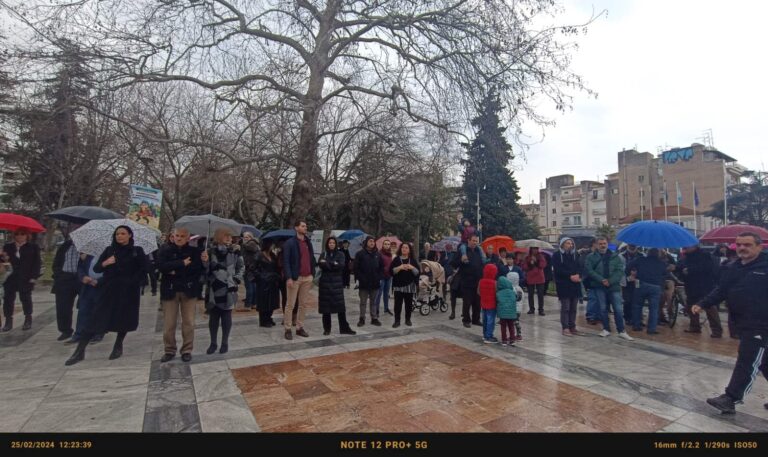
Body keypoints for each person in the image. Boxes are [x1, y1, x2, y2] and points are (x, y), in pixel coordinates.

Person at [692, 232, 768, 414]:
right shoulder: (734, 267)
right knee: (764, 362)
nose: (742, 248)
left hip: (761, 324)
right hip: (742, 322)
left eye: (748, 245)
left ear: (759, 247)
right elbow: (721, 290)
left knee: (747, 359)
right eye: (739, 244)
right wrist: (702, 303)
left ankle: (731, 398)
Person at [65, 225, 150, 365]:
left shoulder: (137, 251)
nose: (119, 236)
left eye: (123, 233)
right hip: (109, 289)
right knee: (95, 318)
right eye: (117, 234)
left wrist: (132, 281)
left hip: (128, 291)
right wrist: (106, 262)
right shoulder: (109, 250)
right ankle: (79, 351)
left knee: (123, 319)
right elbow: (97, 268)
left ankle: (118, 345)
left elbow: (144, 269)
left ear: (130, 235)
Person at [157, 227, 206, 363]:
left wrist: (174, 269)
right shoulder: (165, 250)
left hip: (189, 290)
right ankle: (169, 349)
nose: (179, 238)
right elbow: (161, 267)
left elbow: (197, 269)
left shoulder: (194, 252)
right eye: (177, 235)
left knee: (189, 322)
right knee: (169, 324)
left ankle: (187, 350)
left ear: (187, 237)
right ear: (173, 236)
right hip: (170, 290)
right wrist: (181, 264)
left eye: (182, 236)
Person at [585, 237, 634, 341]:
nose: (603, 245)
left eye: (604, 243)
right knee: (603, 308)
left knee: (618, 309)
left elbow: (619, 271)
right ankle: (606, 329)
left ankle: (621, 330)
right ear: (597, 245)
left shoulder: (615, 256)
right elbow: (589, 270)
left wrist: (610, 281)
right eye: (600, 244)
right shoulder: (591, 257)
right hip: (599, 285)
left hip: (614, 286)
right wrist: (602, 280)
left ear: (607, 244)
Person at [203, 228, 243, 354]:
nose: (229, 238)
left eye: (230, 236)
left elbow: (241, 267)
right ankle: (213, 343)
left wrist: (236, 279)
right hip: (214, 288)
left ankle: (224, 342)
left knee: (226, 315)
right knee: (214, 316)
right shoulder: (210, 251)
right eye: (226, 236)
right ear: (219, 236)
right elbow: (205, 271)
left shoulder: (235, 252)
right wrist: (204, 262)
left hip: (229, 287)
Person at [677, 243, 722, 337]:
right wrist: (682, 270)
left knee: (709, 307)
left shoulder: (704, 255)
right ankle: (694, 326)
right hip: (690, 286)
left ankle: (716, 330)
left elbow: (707, 268)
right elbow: (680, 266)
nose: (685, 247)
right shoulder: (686, 257)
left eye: (688, 246)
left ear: (695, 246)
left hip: (704, 285)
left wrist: (689, 270)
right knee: (691, 306)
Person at [2, 229, 42, 332]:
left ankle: (28, 319)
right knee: (8, 299)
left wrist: (34, 276)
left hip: (26, 277)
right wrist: (3, 257)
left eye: (22, 234)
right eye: (17, 234)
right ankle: (8, 321)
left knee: (25, 298)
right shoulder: (8, 247)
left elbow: (37, 263)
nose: (19, 236)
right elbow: (3, 261)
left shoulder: (33, 247)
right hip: (10, 277)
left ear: (27, 235)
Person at [282, 220, 315, 340]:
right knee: (290, 304)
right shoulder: (289, 243)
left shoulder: (308, 242)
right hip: (295, 278)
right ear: (296, 228)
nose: (305, 227)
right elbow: (285, 261)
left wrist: (312, 273)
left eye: (306, 226)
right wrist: (289, 277)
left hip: (307, 277)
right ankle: (287, 328)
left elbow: (311, 258)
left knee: (303, 304)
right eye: (303, 226)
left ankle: (300, 327)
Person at [318, 237, 356, 336]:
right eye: (330, 242)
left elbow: (340, 266)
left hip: (337, 284)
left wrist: (327, 264)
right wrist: (333, 264)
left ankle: (344, 328)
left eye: (333, 243)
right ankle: (327, 329)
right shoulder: (324, 254)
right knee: (325, 308)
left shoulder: (340, 254)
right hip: (325, 284)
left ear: (336, 244)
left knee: (340, 308)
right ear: (327, 244)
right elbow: (320, 264)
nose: (331, 244)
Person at [52, 225, 82, 341]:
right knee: (63, 306)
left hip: (81, 278)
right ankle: (65, 330)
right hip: (65, 279)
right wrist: (58, 275)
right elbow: (57, 262)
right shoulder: (65, 245)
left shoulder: (87, 247)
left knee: (86, 306)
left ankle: (88, 330)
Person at [628, 248, 668, 335]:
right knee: (654, 309)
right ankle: (651, 329)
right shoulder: (662, 263)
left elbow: (628, 266)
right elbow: (665, 274)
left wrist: (632, 274)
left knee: (637, 306)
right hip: (656, 286)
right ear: (658, 254)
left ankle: (636, 325)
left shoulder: (641, 259)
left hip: (641, 284)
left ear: (648, 253)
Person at [451, 234, 485, 328]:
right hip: (466, 281)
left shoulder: (479, 251)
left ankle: (476, 319)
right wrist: (461, 260)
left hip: (478, 281)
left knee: (477, 302)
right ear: (469, 241)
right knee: (467, 302)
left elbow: (483, 263)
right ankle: (466, 320)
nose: (475, 243)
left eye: (476, 241)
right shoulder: (463, 251)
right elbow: (453, 263)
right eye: (473, 241)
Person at [70, 253, 105, 344]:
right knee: (83, 310)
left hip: (101, 287)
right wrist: (83, 277)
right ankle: (79, 334)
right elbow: (81, 267)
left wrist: (99, 281)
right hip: (87, 286)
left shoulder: (109, 255)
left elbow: (112, 272)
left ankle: (98, 333)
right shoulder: (89, 255)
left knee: (98, 311)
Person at [552, 237, 581, 336]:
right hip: (563, 284)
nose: (570, 245)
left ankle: (572, 326)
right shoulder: (556, 255)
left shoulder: (575, 255)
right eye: (568, 243)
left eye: (571, 243)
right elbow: (557, 270)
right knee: (566, 307)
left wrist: (578, 275)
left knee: (574, 307)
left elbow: (580, 266)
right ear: (562, 244)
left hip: (575, 284)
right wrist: (570, 276)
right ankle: (565, 327)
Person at [354, 236, 384, 327]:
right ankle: (362, 318)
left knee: (373, 302)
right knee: (363, 302)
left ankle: (374, 318)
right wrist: (360, 278)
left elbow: (381, 268)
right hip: (363, 282)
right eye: (370, 241)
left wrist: (378, 277)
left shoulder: (378, 254)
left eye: (373, 241)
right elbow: (356, 268)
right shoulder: (360, 254)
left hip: (375, 282)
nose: (372, 243)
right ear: (366, 242)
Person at [389, 242, 419, 328]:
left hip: (410, 286)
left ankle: (408, 320)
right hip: (398, 286)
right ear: (400, 249)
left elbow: (417, 273)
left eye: (406, 248)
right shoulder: (396, 259)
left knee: (408, 304)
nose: (404, 249)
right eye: (403, 248)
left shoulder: (412, 260)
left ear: (409, 250)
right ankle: (397, 321)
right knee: (397, 305)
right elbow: (391, 271)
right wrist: (400, 268)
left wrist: (411, 267)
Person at [255, 241, 280, 327]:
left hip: (273, 281)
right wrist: (262, 277)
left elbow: (276, 267)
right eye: (271, 244)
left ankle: (269, 317)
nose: (272, 246)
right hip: (263, 282)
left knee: (272, 301)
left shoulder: (273, 255)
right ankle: (263, 320)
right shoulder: (259, 255)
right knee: (264, 302)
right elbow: (253, 268)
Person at [523, 247, 547, 316]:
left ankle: (541, 310)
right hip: (530, 278)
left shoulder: (541, 256)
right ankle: (531, 309)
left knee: (540, 295)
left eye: (536, 249)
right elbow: (524, 267)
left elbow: (543, 265)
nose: (535, 250)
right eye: (533, 249)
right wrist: (530, 264)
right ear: (531, 249)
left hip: (540, 278)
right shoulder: (527, 257)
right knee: (530, 294)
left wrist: (536, 261)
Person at [478, 263, 498, 344]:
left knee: (485, 320)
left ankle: (485, 335)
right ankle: (489, 336)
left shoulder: (481, 281)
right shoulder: (495, 283)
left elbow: (478, 292)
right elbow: (497, 293)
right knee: (491, 320)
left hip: (483, 303)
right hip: (492, 305)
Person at [496, 273, 518, 346]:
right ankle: (512, 339)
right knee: (511, 326)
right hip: (511, 314)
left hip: (502, 315)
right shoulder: (512, 292)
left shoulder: (499, 293)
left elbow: (497, 300)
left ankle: (504, 340)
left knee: (503, 327)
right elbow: (516, 298)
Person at [374, 239, 394, 316]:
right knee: (379, 294)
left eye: (388, 244)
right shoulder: (379, 253)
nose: (387, 245)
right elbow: (376, 265)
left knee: (386, 293)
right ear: (383, 245)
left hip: (388, 276)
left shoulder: (390, 254)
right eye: (385, 244)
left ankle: (386, 308)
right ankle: (376, 310)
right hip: (381, 276)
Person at [241, 231, 261, 310]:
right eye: (244, 237)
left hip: (249, 268)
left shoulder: (251, 243)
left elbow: (249, 249)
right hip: (253, 268)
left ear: (250, 237)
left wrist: (242, 244)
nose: (245, 239)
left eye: (246, 237)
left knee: (249, 287)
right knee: (253, 287)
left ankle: (248, 305)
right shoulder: (255, 243)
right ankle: (254, 303)